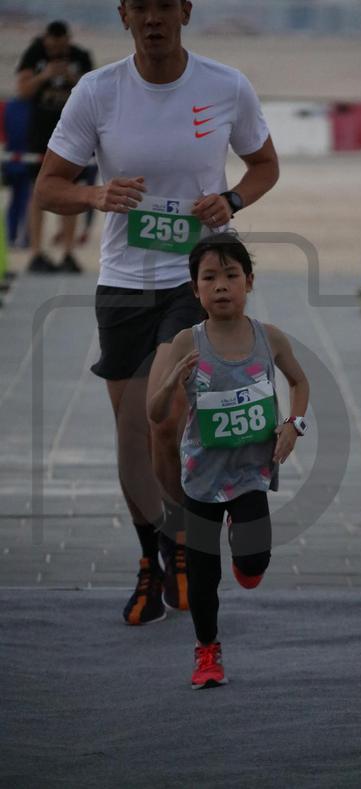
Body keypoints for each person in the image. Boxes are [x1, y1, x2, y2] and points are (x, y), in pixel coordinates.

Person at [34, 0, 279, 626]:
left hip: (191, 282)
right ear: (123, 14)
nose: (153, 18)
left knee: (162, 415)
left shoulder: (226, 85)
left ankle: (189, 542)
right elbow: (48, 188)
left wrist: (231, 201)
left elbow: (265, 165)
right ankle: (155, 557)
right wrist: (97, 193)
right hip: (122, 283)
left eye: (164, 4)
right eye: (139, 5)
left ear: (185, 11)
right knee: (134, 435)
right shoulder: (98, 91)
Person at [148, 232, 309, 689]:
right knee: (203, 573)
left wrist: (293, 425)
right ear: (195, 289)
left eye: (231, 275)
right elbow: (155, 415)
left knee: (253, 567)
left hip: (251, 474)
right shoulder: (186, 342)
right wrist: (169, 384)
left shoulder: (269, 338)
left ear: (249, 282)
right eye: (209, 278)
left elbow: (300, 383)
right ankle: (207, 651)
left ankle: (244, 546)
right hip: (201, 480)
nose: (221, 285)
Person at [17, 20, 93, 272]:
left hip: (74, 134)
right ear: (46, 41)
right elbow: (22, 90)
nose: (57, 51)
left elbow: (94, 91)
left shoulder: (80, 56)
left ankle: (68, 251)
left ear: (68, 40)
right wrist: (45, 76)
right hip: (40, 134)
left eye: (61, 46)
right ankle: (36, 251)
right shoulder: (35, 53)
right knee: (36, 191)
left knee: (72, 190)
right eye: (52, 47)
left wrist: (72, 78)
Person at [1, 97, 31, 247]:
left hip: (28, 163)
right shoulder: (11, 107)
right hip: (13, 163)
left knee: (27, 202)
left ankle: (25, 237)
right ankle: (11, 236)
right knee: (15, 201)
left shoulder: (32, 106)